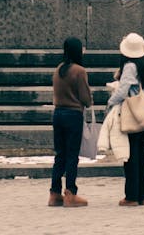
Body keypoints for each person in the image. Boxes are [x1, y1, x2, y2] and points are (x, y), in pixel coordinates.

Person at [107, 32, 144, 207]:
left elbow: (123, 90)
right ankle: (143, 194)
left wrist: (110, 103)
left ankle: (131, 196)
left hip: (132, 114)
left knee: (131, 154)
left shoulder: (130, 66)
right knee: (142, 154)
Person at [49, 37, 92, 208]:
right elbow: (85, 98)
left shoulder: (59, 69)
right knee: (72, 156)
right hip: (73, 115)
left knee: (60, 155)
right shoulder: (79, 71)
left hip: (58, 113)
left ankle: (54, 193)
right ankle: (70, 193)